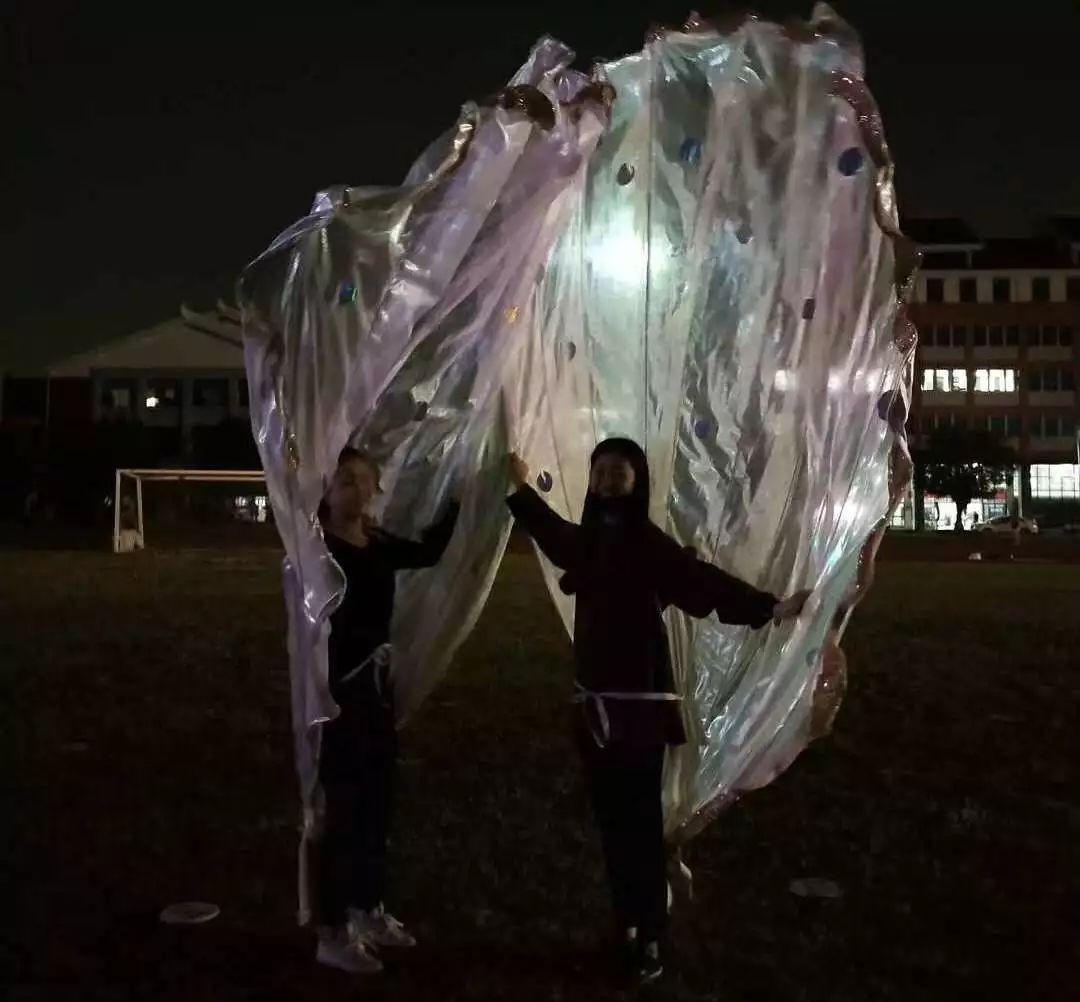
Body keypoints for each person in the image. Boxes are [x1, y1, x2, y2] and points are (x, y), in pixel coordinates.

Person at [505, 439, 809, 983]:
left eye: (618, 470)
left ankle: (649, 934)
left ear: (636, 479)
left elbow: (702, 582)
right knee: (612, 824)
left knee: (640, 826)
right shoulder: (587, 543)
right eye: (600, 469)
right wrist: (519, 488)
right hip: (594, 711)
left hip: (640, 713)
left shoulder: (648, 546)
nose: (607, 477)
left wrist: (771, 607)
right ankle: (627, 922)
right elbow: (552, 533)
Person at [314, 446, 459, 974]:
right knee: (342, 810)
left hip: (374, 690)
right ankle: (332, 930)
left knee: (377, 802)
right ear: (325, 492)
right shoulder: (318, 550)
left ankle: (366, 906)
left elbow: (428, 552)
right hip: (337, 694)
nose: (356, 490)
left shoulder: (375, 542)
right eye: (344, 481)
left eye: (363, 480)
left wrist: (460, 496)